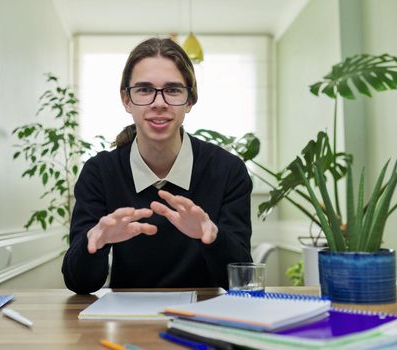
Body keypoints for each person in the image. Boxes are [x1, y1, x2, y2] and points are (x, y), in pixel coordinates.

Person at [62, 37, 253, 294]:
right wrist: (96, 242)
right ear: (126, 100)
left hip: (203, 320)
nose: (158, 102)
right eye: (144, 89)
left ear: (190, 100)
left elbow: (238, 280)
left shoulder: (228, 170)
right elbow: (79, 284)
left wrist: (213, 238)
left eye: (173, 90)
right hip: (125, 323)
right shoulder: (99, 172)